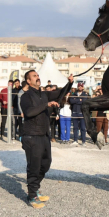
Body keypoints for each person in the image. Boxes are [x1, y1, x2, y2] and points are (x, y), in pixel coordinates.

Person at [20, 70, 73, 208]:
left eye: (38, 75)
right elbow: (29, 112)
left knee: (46, 163)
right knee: (34, 166)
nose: (38, 77)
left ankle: (35, 188)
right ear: (28, 81)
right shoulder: (25, 97)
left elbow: (60, 93)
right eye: (34, 76)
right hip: (31, 136)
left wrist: (70, 83)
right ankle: (32, 196)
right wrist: (46, 105)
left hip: (44, 135)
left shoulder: (44, 94)